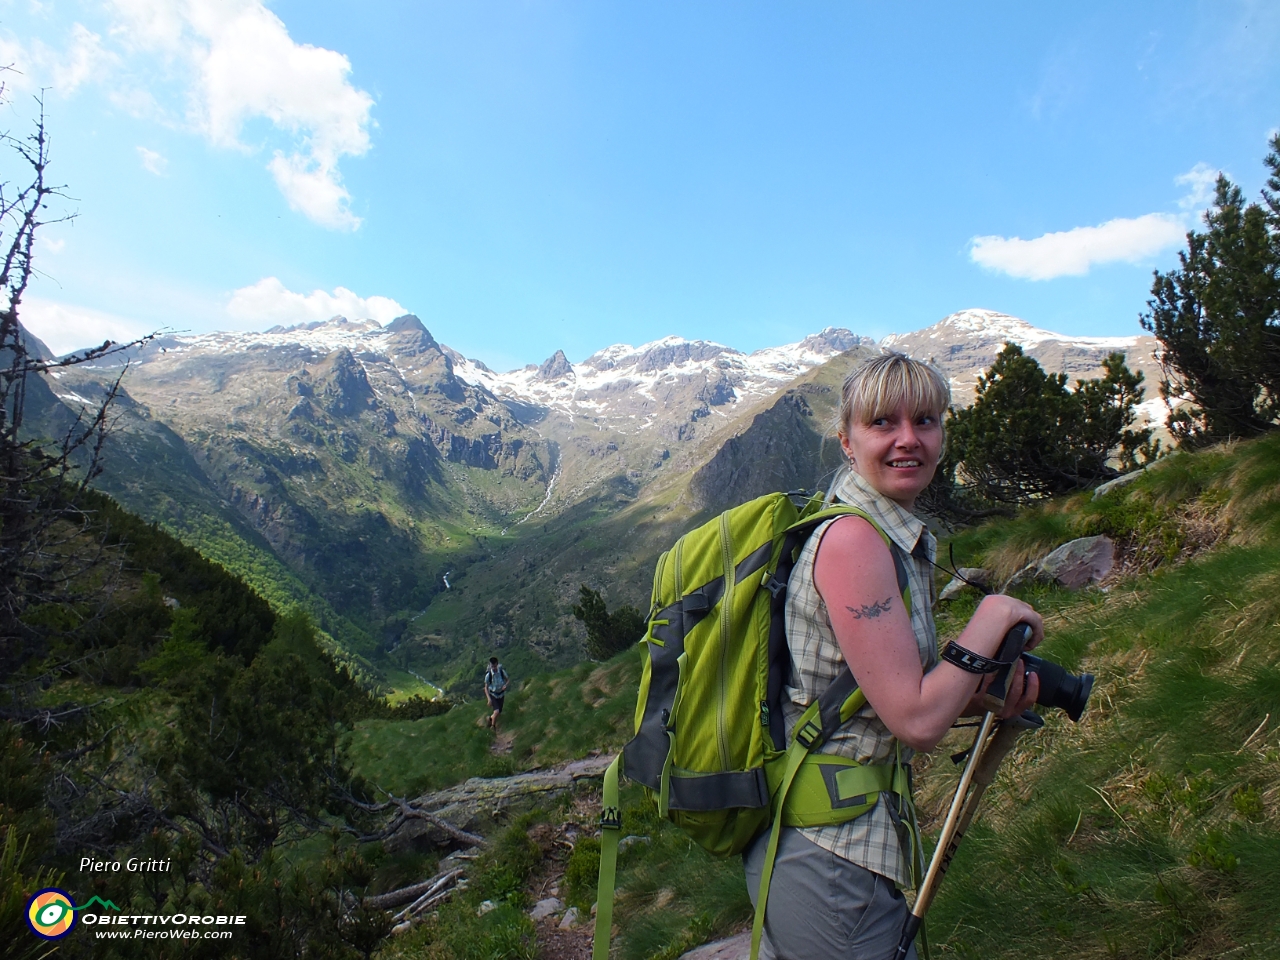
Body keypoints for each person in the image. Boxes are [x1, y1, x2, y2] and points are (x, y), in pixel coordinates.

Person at [743, 352, 1043, 960]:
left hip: (835, 840)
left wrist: (982, 691)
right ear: (847, 441)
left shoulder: (886, 535)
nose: (909, 439)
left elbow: (877, 691)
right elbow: (915, 719)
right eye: (884, 423)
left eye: (925, 421)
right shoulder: (854, 541)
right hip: (830, 857)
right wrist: (989, 619)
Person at [484, 657, 509, 732]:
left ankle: (490, 719)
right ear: (490, 666)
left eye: (495, 666)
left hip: (501, 695)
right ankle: (493, 727)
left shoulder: (501, 671)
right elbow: (486, 687)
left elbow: (507, 680)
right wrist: (489, 699)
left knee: (499, 712)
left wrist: (505, 685)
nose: (494, 668)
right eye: (492, 666)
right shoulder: (488, 675)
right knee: (496, 711)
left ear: (497, 665)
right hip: (493, 695)